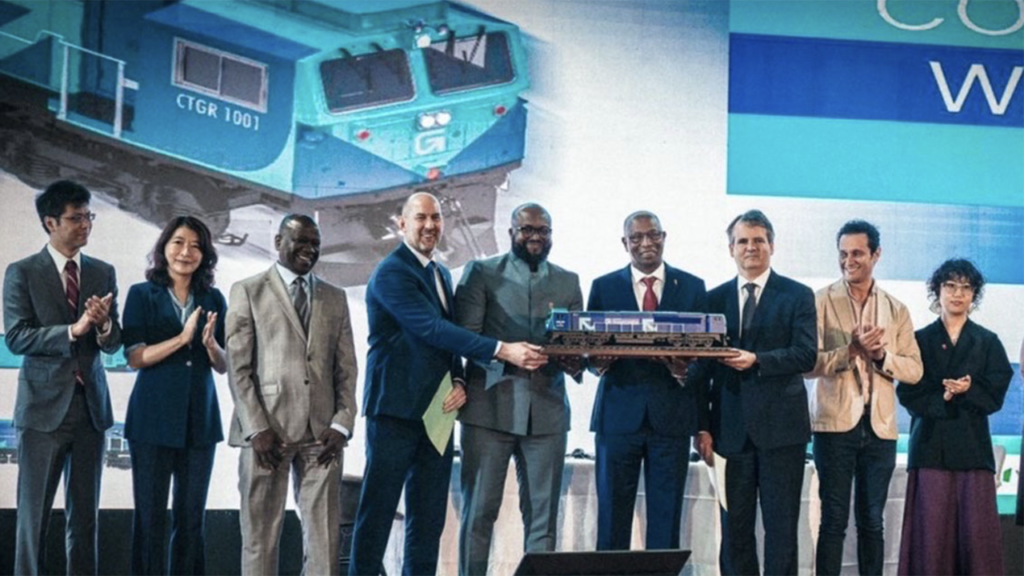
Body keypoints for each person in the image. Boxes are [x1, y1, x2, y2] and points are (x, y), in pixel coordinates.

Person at [348, 192, 547, 576]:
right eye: (420, 218)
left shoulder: (439, 272)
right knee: (377, 516)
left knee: (428, 521)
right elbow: (432, 329)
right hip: (394, 412)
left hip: (438, 413)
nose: (429, 226)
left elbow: (449, 337)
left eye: (436, 218)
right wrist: (503, 349)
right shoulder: (392, 272)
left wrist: (458, 377)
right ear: (402, 224)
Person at [454, 203, 584, 575]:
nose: (535, 237)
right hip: (488, 410)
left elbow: (575, 345)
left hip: (547, 414)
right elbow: (465, 338)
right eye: (527, 229)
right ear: (511, 232)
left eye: (543, 230)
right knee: (479, 514)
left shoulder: (569, 281)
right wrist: (508, 354)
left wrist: (575, 359)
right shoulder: (480, 272)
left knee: (543, 522)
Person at [226, 214, 358, 576]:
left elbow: (346, 369)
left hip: (323, 437)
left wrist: (342, 423)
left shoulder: (335, 297)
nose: (309, 249)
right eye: (301, 241)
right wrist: (256, 429)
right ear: (278, 242)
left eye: (315, 243)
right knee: (259, 541)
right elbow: (238, 369)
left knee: (325, 546)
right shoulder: (247, 290)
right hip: (267, 436)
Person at [3, 180, 121, 576]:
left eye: (89, 216)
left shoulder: (103, 272)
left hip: (91, 411)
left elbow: (112, 342)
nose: (86, 225)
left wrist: (103, 327)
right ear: (50, 222)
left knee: (85, 521)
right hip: (42, 413)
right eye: (76, 218)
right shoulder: (21, 272)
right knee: (33, 519)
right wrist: (74, 329)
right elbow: (17, 337)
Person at [693, 209, 816, 576]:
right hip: (729, 433)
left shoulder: (797, 295)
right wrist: (701, 426)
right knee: (735, 533)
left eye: (759, 240)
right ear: (730, 248)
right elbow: (701, 370)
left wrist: (757, 359)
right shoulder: (711, 299)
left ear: (772, 246)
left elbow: (806, 354)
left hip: (783, 434)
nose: (751, 248)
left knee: (781, 532)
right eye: (743, 241)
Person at [806, 220, 922, 576]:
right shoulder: (820, 301)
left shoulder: (895, 309)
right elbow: (807, 363)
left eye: (857, 253)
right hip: (834, 426)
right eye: (843, 254)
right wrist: (851, 350)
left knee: (872, 521)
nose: (848, 261)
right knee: (833, 520)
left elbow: (914, 369)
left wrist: (881, 357)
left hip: (880, 429)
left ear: (876, 254)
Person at [586, 210, 706, 550]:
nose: (645, 243)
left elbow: (707, 359)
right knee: (611, 518)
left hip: (672, 419)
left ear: (664, 237)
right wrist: (599, 363)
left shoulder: (694, 287)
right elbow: (588, 353)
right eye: (636, 237)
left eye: (652, 235)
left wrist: (682, 369)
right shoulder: (603, 286)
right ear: (625, 243)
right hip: (617, 417)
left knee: (666, 523)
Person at [121, 216, 227, 575]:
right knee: (150, 518)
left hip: (200, 420)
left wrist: (210, 345)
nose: (186, 252)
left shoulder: (213, 297)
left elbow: (223, 365)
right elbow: (135, 357)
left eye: (196, 245)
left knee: (191, 518)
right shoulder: (141, 294)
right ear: (164, 248)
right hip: (152, 420)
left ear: (205, 254)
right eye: (179, 242)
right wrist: (182, 340)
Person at [896, 258, 1012, 575]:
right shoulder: (919, 340)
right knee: (930, 538)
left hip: (973, 449)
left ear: (974, 295)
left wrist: (969, 390)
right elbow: (907, 393)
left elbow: (996, 394)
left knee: (977, 540)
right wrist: (943, 396)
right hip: (930, 447)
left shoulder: (988, 341)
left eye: (965, 287)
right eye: (950, 286)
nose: (957, 294)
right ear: (938, 291)